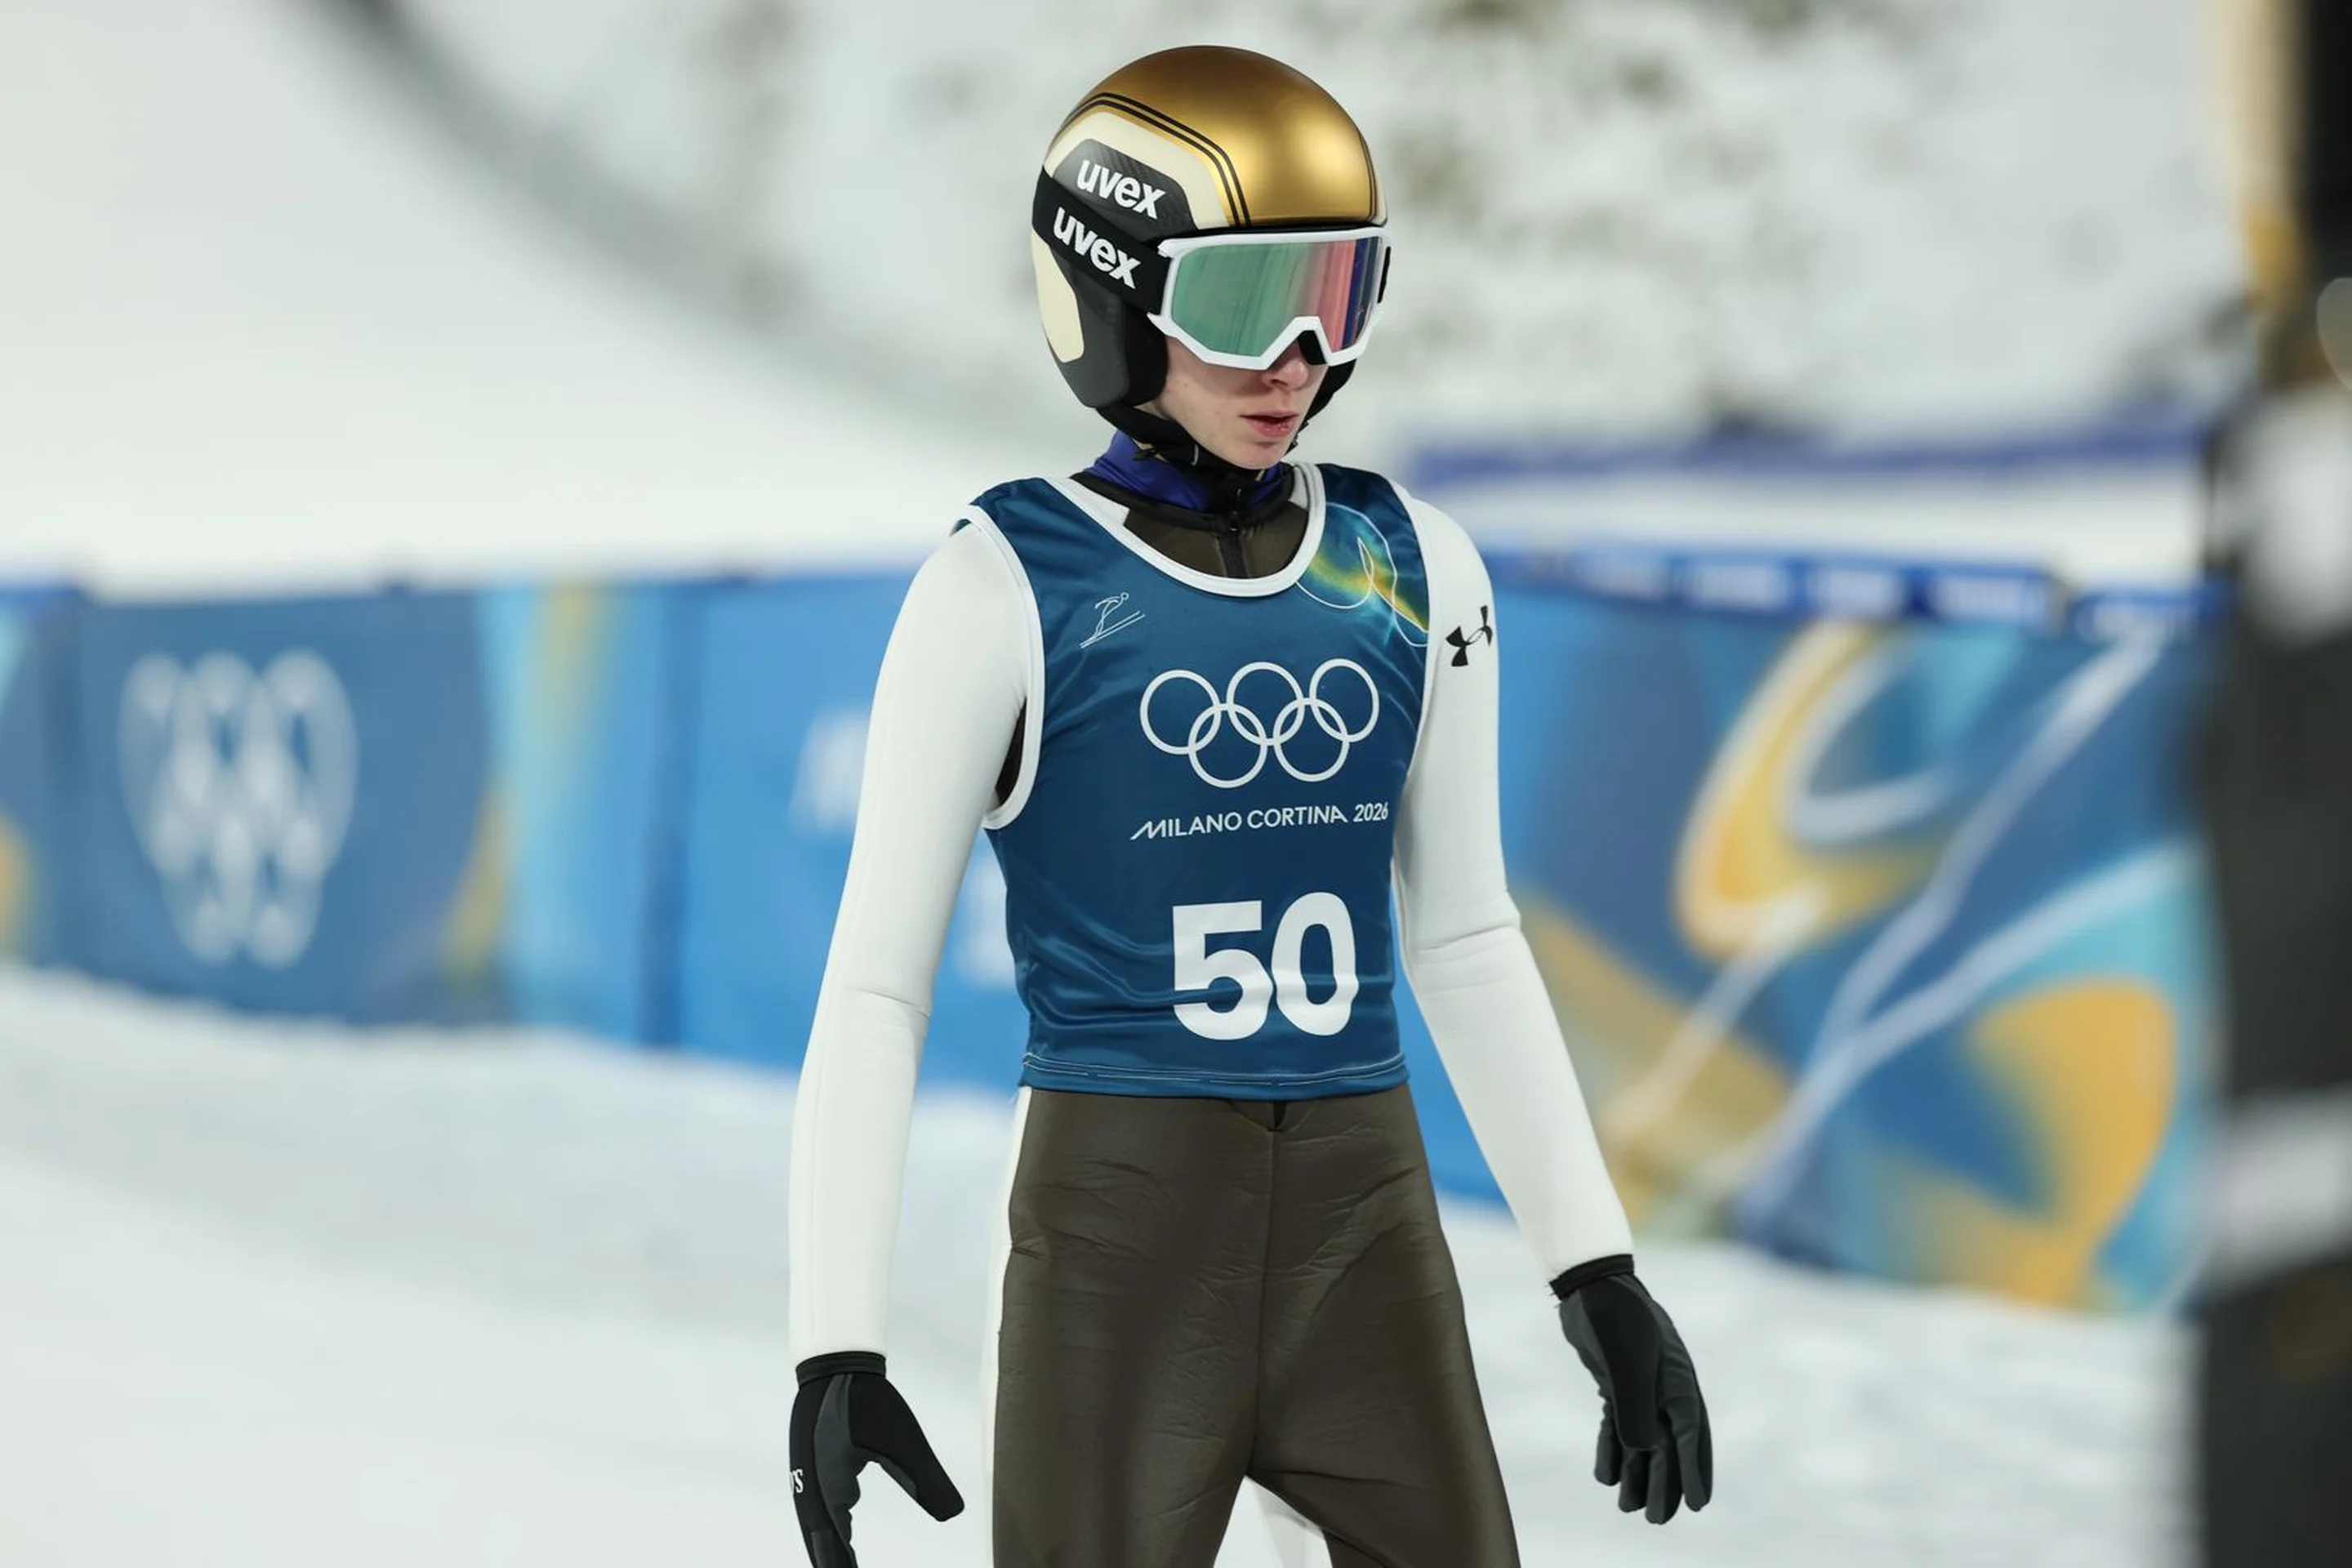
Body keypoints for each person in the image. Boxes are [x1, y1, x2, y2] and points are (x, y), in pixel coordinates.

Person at [786, 45, 1713, 1568]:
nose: (1294, 358)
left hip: (1368, 1224)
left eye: (1336, 296)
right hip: (1123, 1241)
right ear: (1107, 297)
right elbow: (876, 987)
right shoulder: (1001, 584)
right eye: (1239, 303)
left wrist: (1593, 1266)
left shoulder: (1415, 565)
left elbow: (1467, 935)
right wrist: (837, 1341)